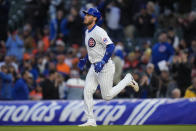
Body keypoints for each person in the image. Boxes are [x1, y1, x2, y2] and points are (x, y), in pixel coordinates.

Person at [78, 8, 139, 127]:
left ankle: (127, 79)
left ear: (94, 18)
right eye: (85, 14)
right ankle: (91, 120)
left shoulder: (99, 31)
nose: (85, 16)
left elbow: (111, 47)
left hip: (105, 66)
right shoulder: (87, 32)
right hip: (94, 66)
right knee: (87, 91)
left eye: (88, 15)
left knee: (107, 96)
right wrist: (85, 59)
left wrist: (103, 61)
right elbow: (92, 50)